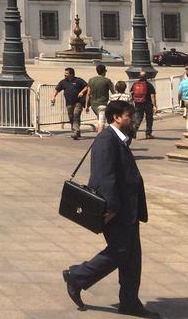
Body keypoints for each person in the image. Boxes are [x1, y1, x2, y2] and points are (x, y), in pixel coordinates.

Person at [64, 100, 156, 318]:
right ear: (117, 118)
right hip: (116, 211)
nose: (132, 119)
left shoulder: (119, 139)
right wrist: (112, 207)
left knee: (132, 258)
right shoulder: (106, 140)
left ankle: (130, 302)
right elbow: (104, 177)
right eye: (129, 116)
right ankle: (77, 276)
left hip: (128, 209)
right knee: (120, 252)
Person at [51, 67, 89, 140]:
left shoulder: (78, 80)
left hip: (78, 102)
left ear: (71, 74)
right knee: (71, 117)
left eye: (66, 73)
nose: (65, 75)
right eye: (65, 73)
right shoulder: (63, 82)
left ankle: (76, 131)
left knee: (76, 115)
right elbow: (57, 89)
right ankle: (76, 131)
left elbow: (87, 86)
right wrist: (53, 97)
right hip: (69, 103)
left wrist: (82, 92)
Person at [87, 64, 115, 134]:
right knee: (101, 122)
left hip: (93, 104)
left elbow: (88, 93)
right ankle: (99, 138)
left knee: (100, 119)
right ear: (104, 71)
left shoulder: (91, 80)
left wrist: (86, 105)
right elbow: (113, 92)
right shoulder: (107, 80)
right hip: (103, 104)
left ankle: (102, 134)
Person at [129, 72, 157, 140]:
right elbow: (152, 96)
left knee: (138, 118)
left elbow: (131, 93)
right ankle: (148, 133)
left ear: (139, 76)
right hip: (147, 104)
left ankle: (133, 132)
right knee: (149, 118)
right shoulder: (149, 85)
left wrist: (133, 101)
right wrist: (155, 105)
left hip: (138, 103)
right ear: (146, 77)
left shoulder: (135, 84)